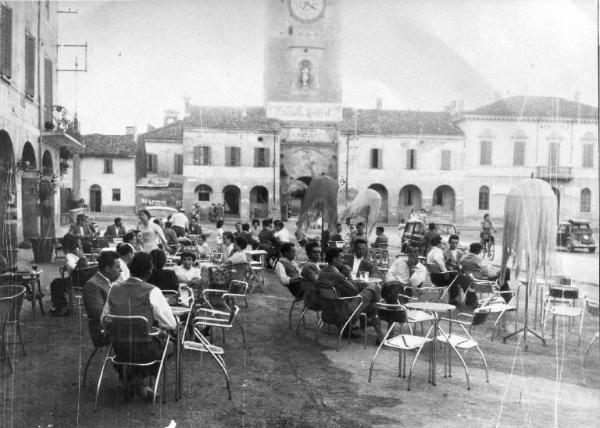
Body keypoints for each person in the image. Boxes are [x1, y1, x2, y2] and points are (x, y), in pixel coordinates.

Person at [101, 252, 176, 401]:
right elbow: (171, 324)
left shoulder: (114, 289)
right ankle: (137, 380)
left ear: (130, 268)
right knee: (172, 345)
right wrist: (155, 329)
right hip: (144, 350)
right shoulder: (152, 291)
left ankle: (133, 379)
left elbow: (104, 319)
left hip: (119, 350)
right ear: (149, 271)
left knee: (142, 343)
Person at [318, 247, 384, 344]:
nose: (344, 260)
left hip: (328, 311)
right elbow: (354, 291)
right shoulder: (337, 276)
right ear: (334, 259)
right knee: (373, 287)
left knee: (370, 304)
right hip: (343, 313)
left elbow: (345, 290)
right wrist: (348, 274)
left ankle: (376, 333)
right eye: (341, 258)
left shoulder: (322, 273)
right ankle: (379, 332)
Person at [82, 251, 122, 348]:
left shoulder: (105, 282)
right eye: (117, 267)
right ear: (108, 269)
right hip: (104, 332)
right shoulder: (92, 285)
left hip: (113, 327)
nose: (121, 270)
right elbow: (98, 314)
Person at [460, 242, 511, 307]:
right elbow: (489, 274)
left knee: (503, 279)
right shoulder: (478, 259)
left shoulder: (463, 259)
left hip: (472, 281)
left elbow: (462, 269)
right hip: (482, 282)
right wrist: (493, 271)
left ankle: (504, 288)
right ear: (479, 250)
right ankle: (507, 299)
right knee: (506, 270)